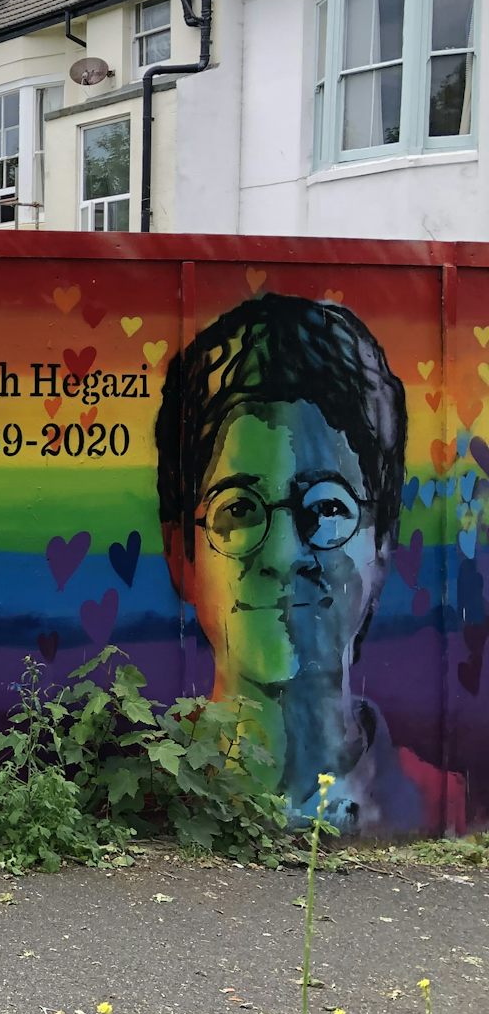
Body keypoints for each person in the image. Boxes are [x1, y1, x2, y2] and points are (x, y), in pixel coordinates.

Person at [155, 293, 465, 835]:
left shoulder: (446, 806)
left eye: (326, 507)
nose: (282, 554)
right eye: (239, 509)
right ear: (182, 555)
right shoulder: (147, 794)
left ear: (383, 543)